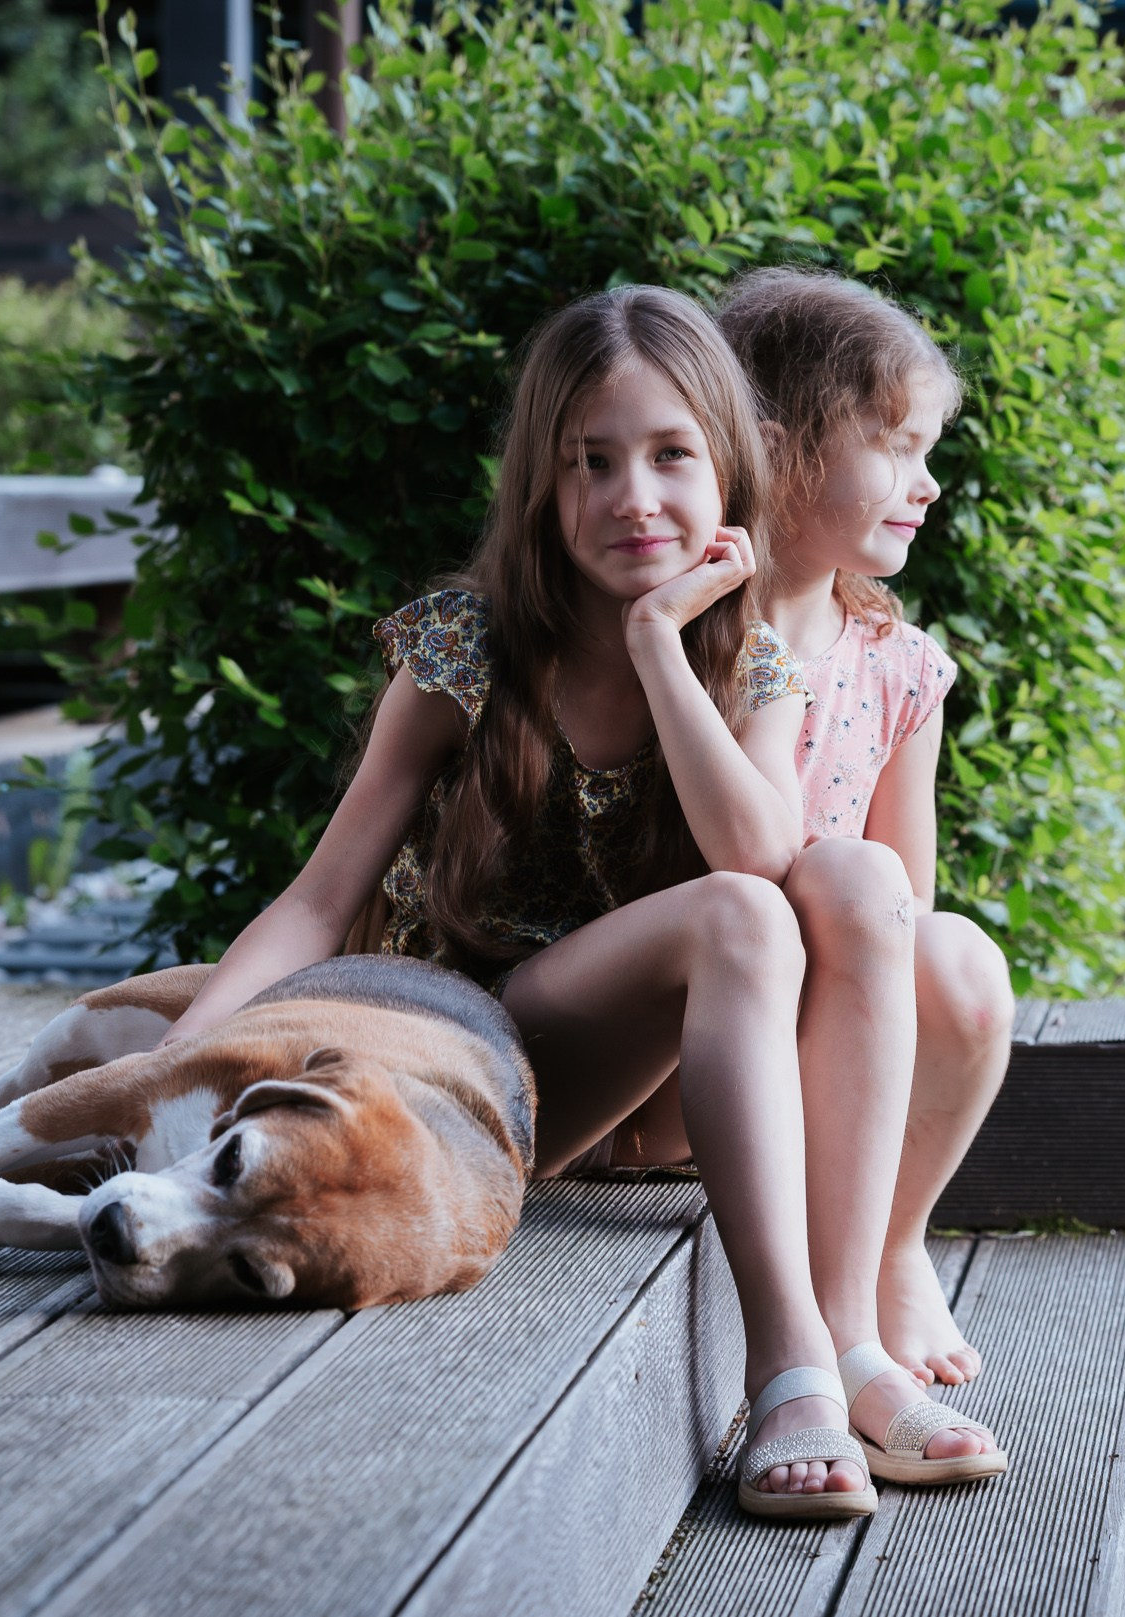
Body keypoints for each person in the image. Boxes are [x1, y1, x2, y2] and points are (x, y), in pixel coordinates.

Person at [155, 285, 884, 1520]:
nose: (631, 497)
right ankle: (789, 1365)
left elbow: (755, 848)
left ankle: (830, 1341)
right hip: (460, 1056)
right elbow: (319, 897)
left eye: (668, 457)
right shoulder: (470, 642)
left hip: (626, 1104)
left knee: (770, 900)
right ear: (541, 488)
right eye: (588, 463)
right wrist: (185, 1066)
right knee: (743, 918)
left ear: (730, 474)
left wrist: (662, 645)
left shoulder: (750, 657)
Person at [723, 267, 1015, 1451]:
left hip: (833, 1027)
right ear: (780, 451)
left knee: (961, 963)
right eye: (896, 445)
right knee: (848, 893)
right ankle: (841, 1334)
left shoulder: (899, 665)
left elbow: (908, 903)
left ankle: (895, 1243)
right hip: (717, 1032)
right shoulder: (695, 640)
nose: (929, 481)